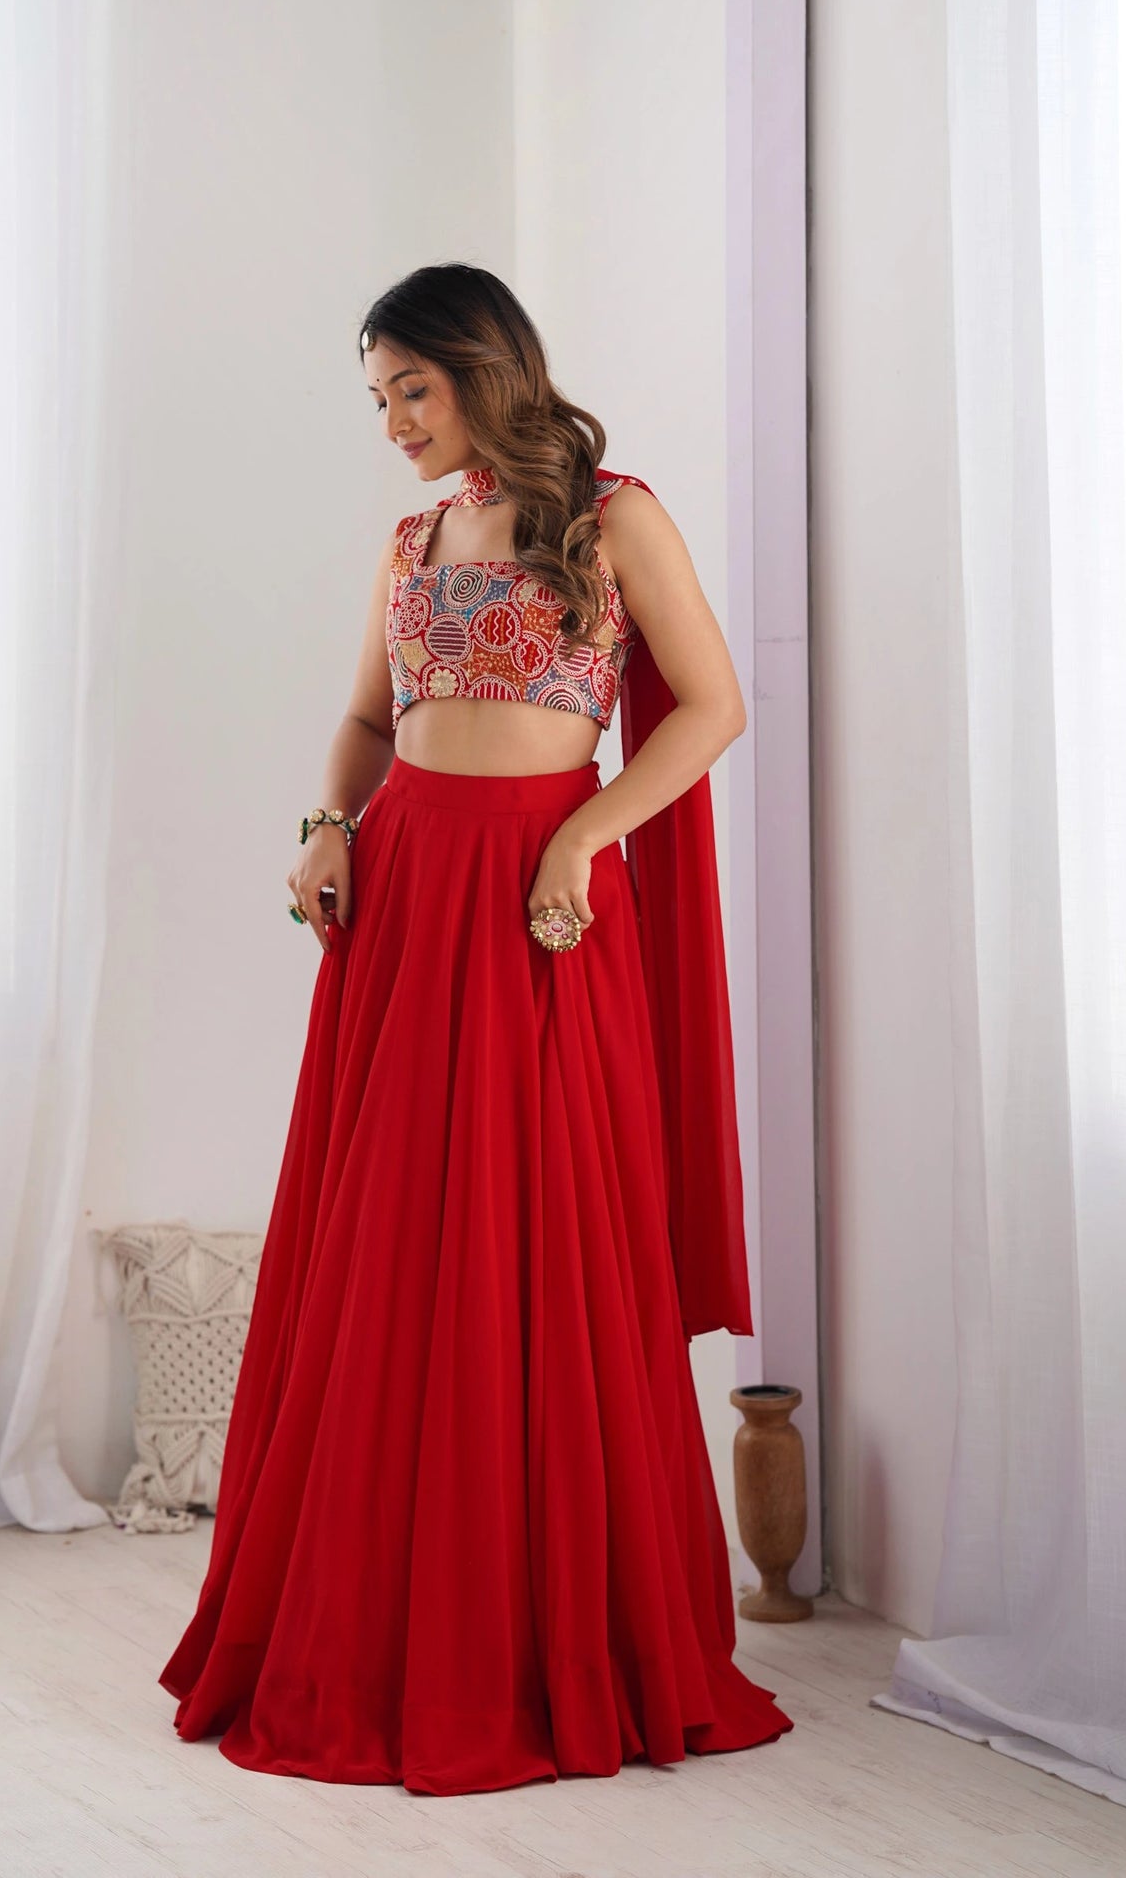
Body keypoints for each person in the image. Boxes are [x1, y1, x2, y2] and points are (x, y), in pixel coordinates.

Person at [157, 261, 794, 1796]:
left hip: (540, 906)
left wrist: (582, 841)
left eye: (411, 391)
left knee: (553, 1246)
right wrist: (327, 825)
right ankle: (379, 1628)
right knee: (391, 1249)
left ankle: (551, 1640)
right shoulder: (412, 537)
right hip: (407, 902)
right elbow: (376, 723)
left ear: (486, 366)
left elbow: (710, 708)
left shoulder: (613, 513)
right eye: (377, 399)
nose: (391, 423)